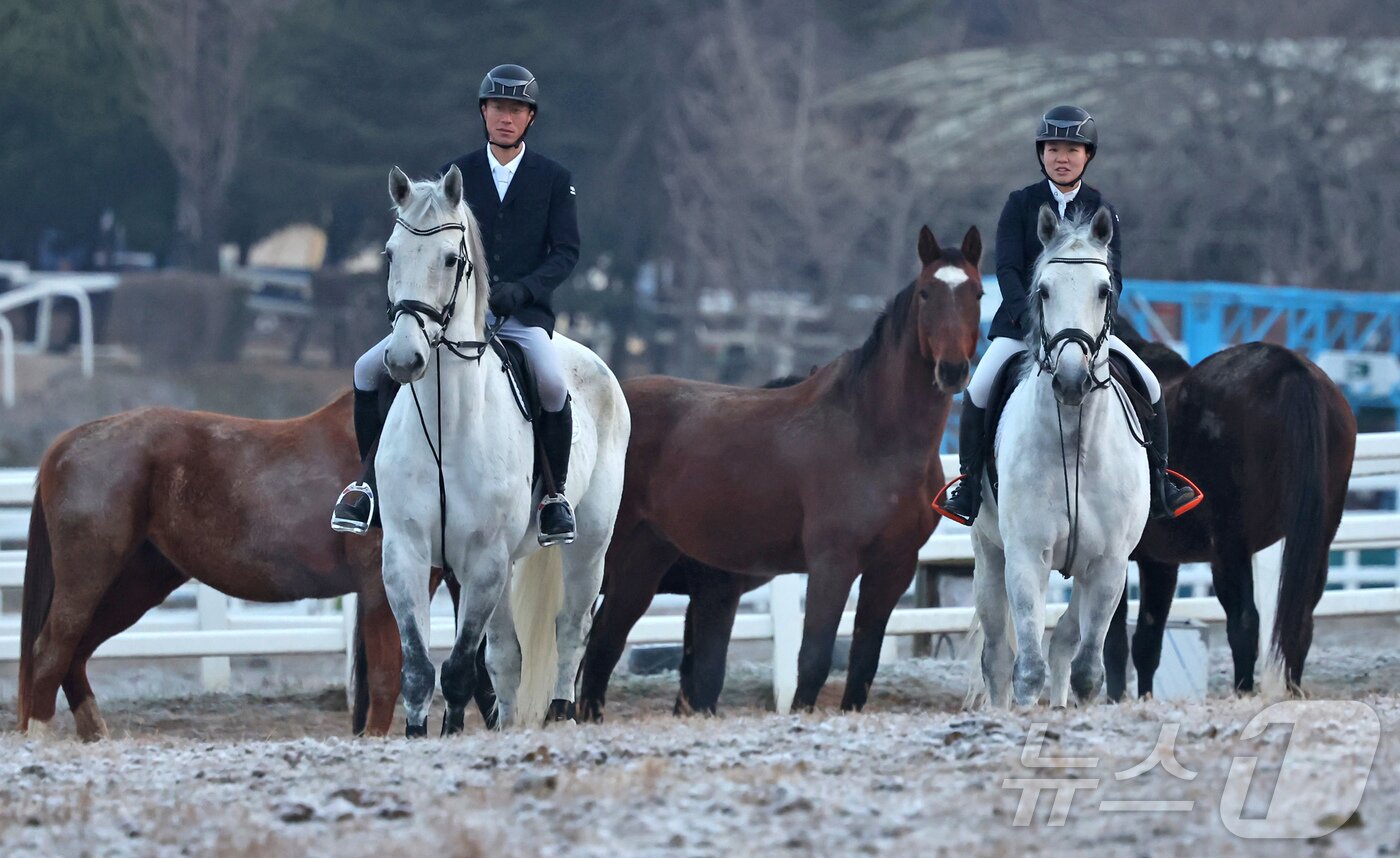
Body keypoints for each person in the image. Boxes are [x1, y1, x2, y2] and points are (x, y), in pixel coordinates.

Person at [331, 63, 582, 545]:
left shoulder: (553, 178)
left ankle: (554, 496)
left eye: (516, 110)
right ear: (483, 113)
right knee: (367, 370)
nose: (504, 118)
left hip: (522, 315)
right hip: (452, 315)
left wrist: (524, 290)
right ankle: (369, 486)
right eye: (496, 109)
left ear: (529, 118)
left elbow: (566, 252)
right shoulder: (455, 174)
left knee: (551, 383)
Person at [939, 104, 1198, 525]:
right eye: (1053, 149)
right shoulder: (1020, 204)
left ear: (1087, 156)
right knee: (980, 387)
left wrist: (1098, 323)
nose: (1062, 158)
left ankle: (1160, 480)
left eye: (1072, 150)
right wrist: (1028, 317)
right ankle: (969, 486)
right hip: (1023, 326)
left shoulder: (1102, 209)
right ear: (1041, 154)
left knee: (1149, 384)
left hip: (1086, 330)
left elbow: (1114, 275)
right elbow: (1006, 267)